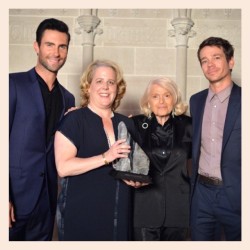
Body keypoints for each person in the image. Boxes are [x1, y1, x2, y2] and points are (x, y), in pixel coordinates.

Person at [54, 59, 146, 241]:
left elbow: (137, 166)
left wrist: (139, 180)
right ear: (88, 87)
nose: (105, 87)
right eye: (99, 81)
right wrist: (106, 156)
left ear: (117, 88)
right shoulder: (74, 120)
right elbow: (63, 167)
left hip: (120, 213)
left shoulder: (127, 123)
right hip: (82, 212)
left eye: (111, 82)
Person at [9, 18, 75, 241]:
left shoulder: (68, 98)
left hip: (47, 202)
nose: (56, 52)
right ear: (36, 46)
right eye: (49, 45)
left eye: (62, 46)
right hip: (13, 199)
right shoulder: (12, 84)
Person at [189, 37, 241, 240]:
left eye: (216, 57)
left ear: (230, 61)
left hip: (236, 194)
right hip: (201, 194)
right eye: (204, 60)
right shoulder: (196, 100)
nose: (210, 64)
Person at [132, 77, 192, 241]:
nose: (161, 101)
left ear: (174, 99)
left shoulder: (189, 125)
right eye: (155, 96)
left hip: (179, 208)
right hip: (144, 207)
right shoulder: (135, 124)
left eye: (167, 95)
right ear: (148, 101)